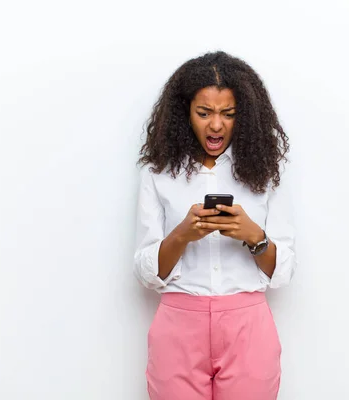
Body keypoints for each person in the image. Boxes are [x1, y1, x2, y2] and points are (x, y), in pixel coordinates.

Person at [134, 51, 297, 400]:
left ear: (245, 116)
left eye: (228, 114)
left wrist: (254, 237)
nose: (216, 125)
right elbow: (146, 272)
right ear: (185, 113)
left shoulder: (265, 171)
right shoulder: (158, 172)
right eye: (204, 113)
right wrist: (182, 235)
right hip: (178, 326)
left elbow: (283, 272)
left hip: (248, 327)